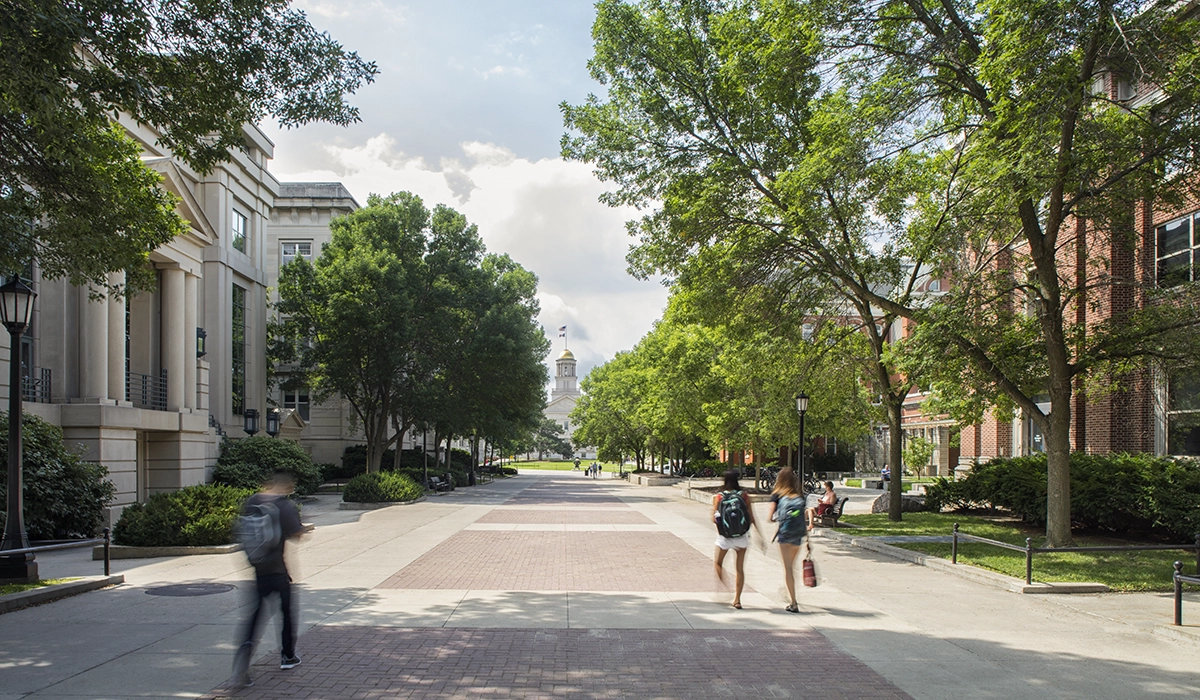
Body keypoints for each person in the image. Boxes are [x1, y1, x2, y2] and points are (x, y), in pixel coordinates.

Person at [232, 470, 305, 687]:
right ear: (286, 486)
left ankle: (243, 656)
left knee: (254, 617)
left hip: (258, 569)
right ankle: (288, 655)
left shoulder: (253, 501)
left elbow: (241, 530)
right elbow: (296, 534)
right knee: (287, 613)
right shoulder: (284, 505)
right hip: (279, 571)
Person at [711, 469, 759, 610]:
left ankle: (726, 587)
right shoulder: (744, 495)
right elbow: (751, 517)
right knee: (739, 569)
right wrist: (759, 534)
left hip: (724, 536)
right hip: (741, 536)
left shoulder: (719, 497)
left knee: (718, 563)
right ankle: (737, 599)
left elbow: (714, 517)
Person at [767, 467, 808, 613]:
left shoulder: (777, 495)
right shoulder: (799, 496)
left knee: (788, 568)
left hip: (785, 534)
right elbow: (803, 517)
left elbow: (770, 517)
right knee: (792, 566)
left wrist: (779, 518)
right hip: (798, 534)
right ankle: (789, 590)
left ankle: (793, 602)